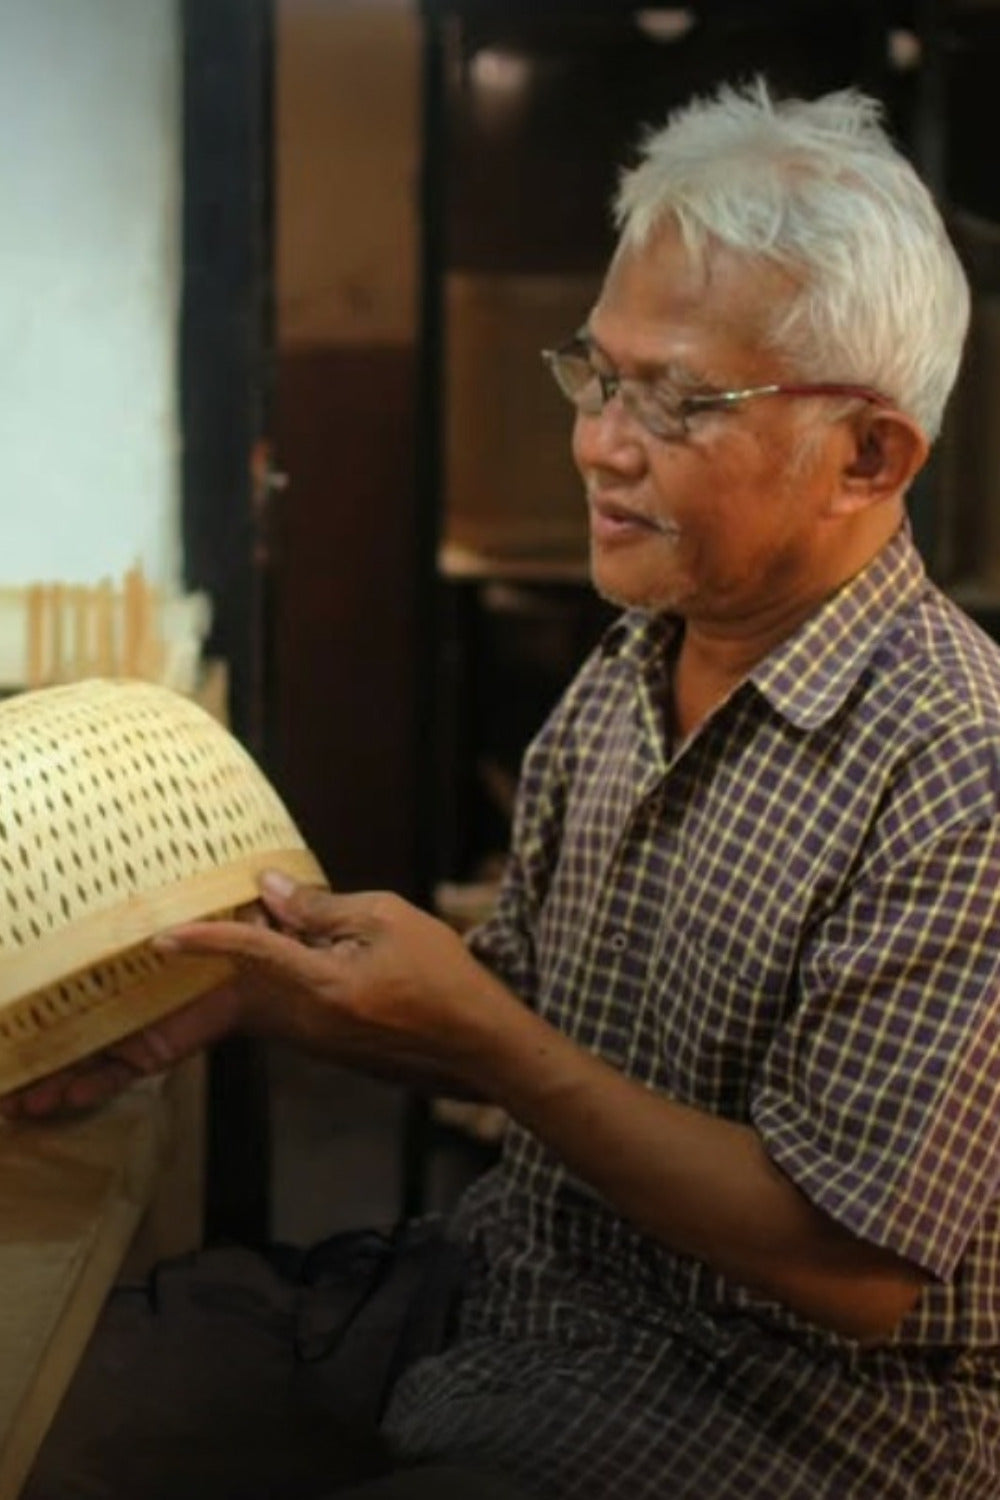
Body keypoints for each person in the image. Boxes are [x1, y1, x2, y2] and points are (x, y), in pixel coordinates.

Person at [8, 77, 1000, 1498]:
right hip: (507, 1297)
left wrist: (490, 1043)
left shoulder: (959, 769)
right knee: (53, 1412)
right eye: (598, 375)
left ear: (870, 454)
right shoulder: (626, 675)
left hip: (785, 1413)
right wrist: (249, 994)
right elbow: (527, 1014)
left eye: (678, 401)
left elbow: (848, 1266)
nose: (601, 441)